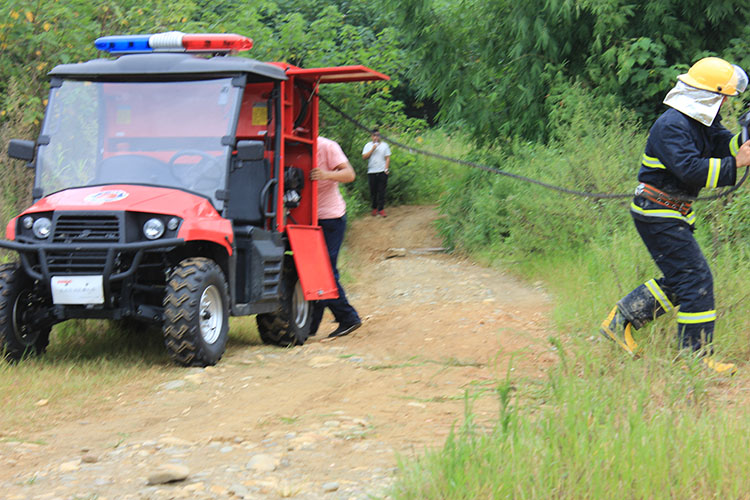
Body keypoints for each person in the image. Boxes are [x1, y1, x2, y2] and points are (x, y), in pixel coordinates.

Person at [600, 56, 750, 375]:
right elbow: (691, 170)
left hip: (670, 213)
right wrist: (736, 163)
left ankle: (619, 321)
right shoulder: (672, 125)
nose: (725, 102)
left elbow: (725, 144)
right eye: (723, 96)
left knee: (683, 278)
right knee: (696, 278)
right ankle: (695, 357)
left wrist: (745, 140)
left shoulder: (701, 121)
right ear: (709, 94)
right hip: (656, 211)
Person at [309, 135, 362, 338]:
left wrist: (325, 174)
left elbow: (349, 174)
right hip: (308, 220)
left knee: (326, 271)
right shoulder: (291, 146)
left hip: (331, 218)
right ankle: (311, 325)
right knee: (313, 271)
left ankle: (348, 317)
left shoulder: (327, 146)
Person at [361, 129, 392, 217]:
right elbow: (364, 157)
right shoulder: (367, 145)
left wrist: (386, 169)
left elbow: (388, 158)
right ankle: (374, 208)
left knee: (382, 190)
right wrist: (372, 149)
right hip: (372, 171)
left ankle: (381, 209)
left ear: (380, 136)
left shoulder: (385, 145)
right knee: (373, 191)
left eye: (377, 135)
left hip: (382, 171)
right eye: (374, 135)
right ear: (371, 136)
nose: (376, 137)